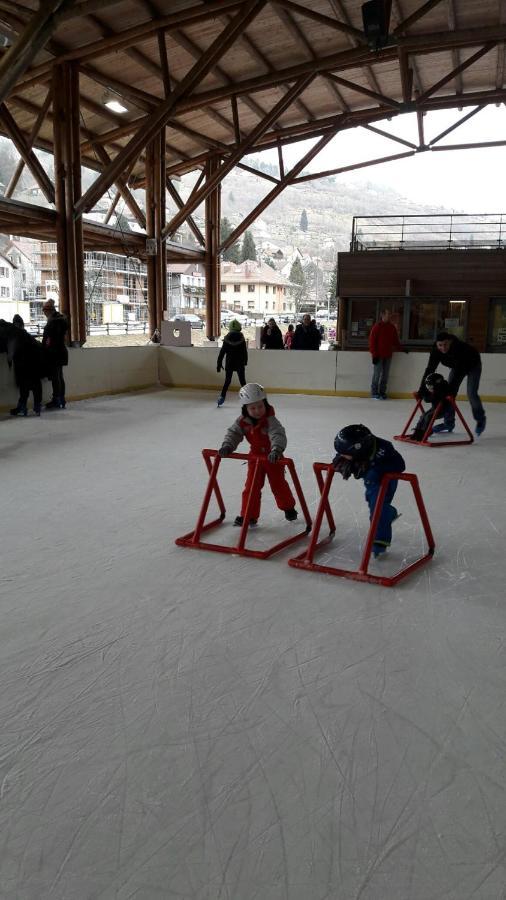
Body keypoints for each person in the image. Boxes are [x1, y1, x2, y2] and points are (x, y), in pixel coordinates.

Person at [218, 382, 298, 527]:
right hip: (255, 458)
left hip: (273, 458)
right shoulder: (242, 421)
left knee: (278, 485)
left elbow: (277, 434)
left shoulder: (270, 420)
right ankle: (249, 515)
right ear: (245, 408)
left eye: (260, 406)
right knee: (251, 487)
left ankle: (288, 507)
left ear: (265, 404)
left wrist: (277, 450)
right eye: (252, 408)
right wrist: (227, 446)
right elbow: (234, 433)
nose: (257, 411)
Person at [333, 424, 405, 558]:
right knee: (376, 505)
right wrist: (340, 463)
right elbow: (339, 458)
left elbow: (400, 465)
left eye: (345, 454)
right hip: (371, 481)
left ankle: (380, 540)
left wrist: (375, 470)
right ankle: (389, 513)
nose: (342, 455)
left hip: (385, 482)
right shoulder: (355, 449)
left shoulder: (384, 447)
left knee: (377, 507)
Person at [417, 330, 486, 436]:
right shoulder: (435, 351)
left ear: (450, 342)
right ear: (436, 344)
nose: (443, 348)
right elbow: (430, 369)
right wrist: (422, 389)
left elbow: (459, 372)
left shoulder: (459, 349)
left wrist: (448, 392)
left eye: (445, 344)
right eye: (440, 345)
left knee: (471, 393)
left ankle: (480, 419)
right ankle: (448, 424)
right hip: (456, 366)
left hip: (473, 365)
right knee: (449, 395)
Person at [0, 316, 44, 417]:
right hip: (34, 361)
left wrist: (9, 360)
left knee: (24, 384)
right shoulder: (26, 334)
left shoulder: (11, 333)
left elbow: (10, 350)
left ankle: (22, 407)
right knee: (36, 383)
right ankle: (37, 406)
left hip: (22, 362)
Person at [368, 308, 405, 400]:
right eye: (388, 314)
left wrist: (402, 349)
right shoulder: (377, 327)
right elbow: (372, 342)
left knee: (385, 375)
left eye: (389, 314)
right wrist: (374, 354)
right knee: (377, 374)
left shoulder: (391, 327)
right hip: (378, 355)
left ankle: (382, 392)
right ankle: (374, 392)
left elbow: (395, 341)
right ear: (383, 315)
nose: (389, 316)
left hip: (388, 355)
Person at [41, 298, 68, 409]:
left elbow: (49, 339)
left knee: (56, 377)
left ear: (48, 311)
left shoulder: (53, 322)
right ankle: (61, 399)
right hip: (61, 351)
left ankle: (56, 400)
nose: (44, 314)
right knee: (59, 376)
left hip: (54, 353)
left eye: (44, 312)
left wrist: (45, 347)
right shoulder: (61, 320)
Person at [411, 373, 454, 441]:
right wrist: (419, 394)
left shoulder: (443, 389)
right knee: (423, 415)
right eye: (428, 386)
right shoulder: (434, 388)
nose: (429, 388)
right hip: (435, 408)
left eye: (431, 386)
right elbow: (426, 396)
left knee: (428, 416)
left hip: (444, 410)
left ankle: (424, 433)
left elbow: (432, 398)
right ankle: (417, 432)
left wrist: (428, 396)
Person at [216, 319, 248, 407]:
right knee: (242, 382)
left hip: (229, 362)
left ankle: (222, 397)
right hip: (240, 362)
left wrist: (219, 364)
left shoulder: (227, 339)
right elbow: (245, 352)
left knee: (227, 381)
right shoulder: (241, 339)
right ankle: (248, 398)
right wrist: (245, 361)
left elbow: (222, 352)